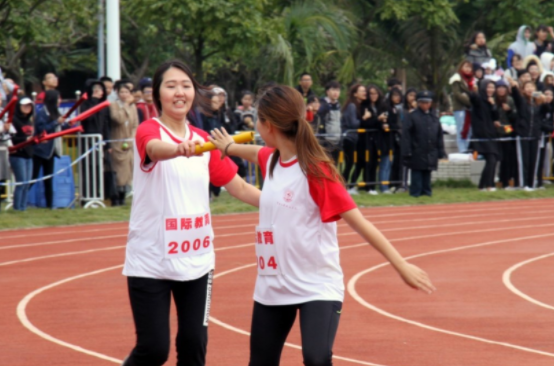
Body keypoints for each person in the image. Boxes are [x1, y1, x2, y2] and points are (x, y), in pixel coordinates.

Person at [207, 84, 435, 366]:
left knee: (316, 359)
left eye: (257, 120)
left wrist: (401, 264)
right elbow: (251, 153)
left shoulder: (316, 171)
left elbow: (359, 222)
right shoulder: (272, 159)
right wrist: (227, 147)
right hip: (272, 285)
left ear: (268, 125)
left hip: (316, 285)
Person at [120, 60, 260, 366]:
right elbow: (155, 149)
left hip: (197, 261)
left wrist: (291, 203)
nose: (179, 92)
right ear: (157, 95)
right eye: (171, 86)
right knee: (155, 349)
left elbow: (240, 188)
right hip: (151, 261)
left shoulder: (204, 141)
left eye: (185, 86)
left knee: (194, 345)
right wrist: (178, 149)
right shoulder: (148, 130)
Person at [402, 91, 446, 198]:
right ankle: (415, 192)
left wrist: (441, 151)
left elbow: (439, 135)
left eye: (428, 102)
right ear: (418, 103)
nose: (426, 105)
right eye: (423, 102)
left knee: (427, 171)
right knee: (417, 172)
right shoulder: (412, 116)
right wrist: (407, 151)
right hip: (416, 149)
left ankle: (426, 191)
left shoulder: (434, 117)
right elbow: (406, 135)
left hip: (431, 150)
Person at [32, 90, 69, 208]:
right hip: (39, 151)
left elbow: (59, 128)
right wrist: (56, 122)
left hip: (51, 151)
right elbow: (43, 129)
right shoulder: (42, 113)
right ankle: (19, 204)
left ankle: (49, 206)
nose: (60, 101)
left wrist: (67, 125)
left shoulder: (55, 112)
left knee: (49, 179)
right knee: (32, 177)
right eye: (58, 99)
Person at [507, 76, 544, 191]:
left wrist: (541, 97)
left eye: (532, 87)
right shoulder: (522, 102)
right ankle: (524, 184)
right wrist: (514, 86)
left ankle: (531, 184)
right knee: (524, 161)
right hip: (523, 135)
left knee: (534, 161)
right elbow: (517, 97)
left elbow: (547, 108)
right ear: (523, 89)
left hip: (535, 136)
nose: (529, 89)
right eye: (527, 87)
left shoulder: (538, 104)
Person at [79, 79, 111, 204]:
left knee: (99, 168)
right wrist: (93, 101)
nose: (99, 92)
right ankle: (87, 195)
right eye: (95, 89)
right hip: (88, 141)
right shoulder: (85, 104)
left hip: (100, 142)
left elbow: (106, 125)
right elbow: (87, 117)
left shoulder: (104, 106)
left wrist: (108, 143)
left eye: (100, 89)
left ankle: (98, 194)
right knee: (88, 168)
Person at [468, 79, 501, 191]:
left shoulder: (491, 101)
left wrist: (493, 105)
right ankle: (488, 185)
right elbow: (473, 99)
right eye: (488, 87)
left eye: (492, 87)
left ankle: (483, 185)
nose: (491, 90)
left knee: (493, 159)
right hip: (481, 134)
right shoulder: (479, 100)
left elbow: (496, 117)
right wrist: (474, 91)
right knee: (491, 159)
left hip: (491, 134)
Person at [109, 83, 138, 206]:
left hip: (129, 142)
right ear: (117, 93)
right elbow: (118, 119)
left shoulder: (133, 107)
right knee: (118, 170)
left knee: (128, 170)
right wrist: (125, 105)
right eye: (122, 92)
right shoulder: (113, 106)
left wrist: (131, 138)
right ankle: (116, 197)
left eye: (127, 92)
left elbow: (135, 125)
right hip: (117, 141)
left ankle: (124, 196)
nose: (125, 95)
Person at [8, 97, 34, 211]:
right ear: (19, 107)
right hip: (18, 155)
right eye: (24, 105)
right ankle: (17, 207)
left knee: (27, 184)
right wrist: (25, 139)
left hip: (29, 154)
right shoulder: (13, 120)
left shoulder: (30, 121)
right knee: (21, 183)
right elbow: (11, 137)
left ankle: (23, 207)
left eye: (29, 106)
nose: (27, 108)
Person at [340, 84, 367, 191]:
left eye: (364, 90)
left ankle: (346, 186)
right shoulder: (352, 106)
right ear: (355, 94)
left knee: (352, 163)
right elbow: (353, 123)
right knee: (349, 163)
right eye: (361, 91)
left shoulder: (356, 105)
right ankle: (343, 186)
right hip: (349, 138)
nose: (364, 93)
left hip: (352, 138)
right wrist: (364, 118)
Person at [495, 79, 518, 190]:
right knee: (497, 157)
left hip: (508, 130)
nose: (501, 90)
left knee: (507, 158)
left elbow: (515, 116)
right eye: (499, 87)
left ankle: (506, 181)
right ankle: (498, 179)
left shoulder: (510, 100)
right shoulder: (493, 100)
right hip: (495, 131)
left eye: (503, 87)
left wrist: (509, 110)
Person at [450, 60, 474, 153]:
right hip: (460, 108)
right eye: (466, 67)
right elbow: (457, 94)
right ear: (461, 67)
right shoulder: (456, 79)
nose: (468, 69)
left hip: (470, 109)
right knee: (461, 129)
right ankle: (462, 149)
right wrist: (470, 102)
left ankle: (467, 148)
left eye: (469, 67)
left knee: (469, 130)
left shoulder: (472, 80)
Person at [317, 81, 342, 163]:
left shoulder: (338, 105)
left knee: (335, 165)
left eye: (338, 90)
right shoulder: (322, 104)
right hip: (326, 141)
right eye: (333, 90)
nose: (336, 93)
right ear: (327, 92)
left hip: (337, 141)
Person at [537, 87, 554, 189]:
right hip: (539, 136)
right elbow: (540, 122)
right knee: (539, 158)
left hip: (548, 138)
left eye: (550, 94)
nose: (548, 96)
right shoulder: (539, 106)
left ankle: (546, 177)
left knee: (547, 158)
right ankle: (538, 179)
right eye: (546, 94)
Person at [387, 88, 404, 193]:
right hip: (391, 138)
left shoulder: (400, 108)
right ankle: (390, 183)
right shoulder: (389, 108)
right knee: (391, 162)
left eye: (398, 96)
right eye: (394, 95)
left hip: (400, 138)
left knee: (399, 162)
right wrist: (397, 128)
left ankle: (398, 183)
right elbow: (391, 123)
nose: (397, 98)